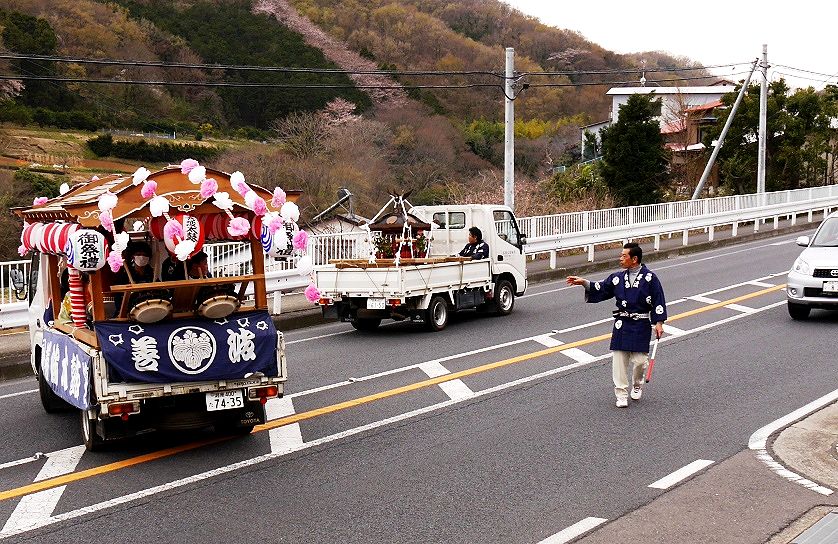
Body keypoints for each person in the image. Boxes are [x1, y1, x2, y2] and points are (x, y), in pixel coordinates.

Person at [566, 242, 667, 408]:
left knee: (640, 361)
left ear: (634, 259)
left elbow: (658, 300)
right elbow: (601, 287)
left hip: (641, 322)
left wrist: (659, 323)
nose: (620, 258)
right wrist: (584, 283)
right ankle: (621, 394)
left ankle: (637, 384)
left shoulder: (650, 278)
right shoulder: (617, 278)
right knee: (619, 360)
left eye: (624, 256)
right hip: (622, 323)